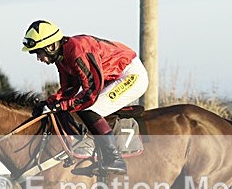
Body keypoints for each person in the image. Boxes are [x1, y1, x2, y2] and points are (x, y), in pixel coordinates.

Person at [22, 19, 149, 175]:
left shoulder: (77, 51)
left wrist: (62, 105)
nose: (38, 58)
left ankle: (115, 159)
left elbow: (91, 93)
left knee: (89, 109)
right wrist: (51, 102)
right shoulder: (62, 58)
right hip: (113, 77)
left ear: (50, 46)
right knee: (76, 107)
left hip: (130, 75)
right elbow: (69, 89)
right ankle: (99, 154)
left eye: (39, 52)